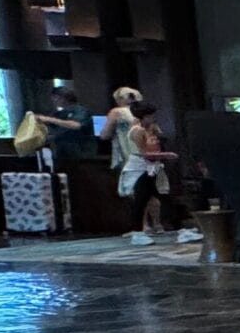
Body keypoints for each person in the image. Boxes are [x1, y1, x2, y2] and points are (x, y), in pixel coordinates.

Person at [113, 101, 200, 245]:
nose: (153, 118)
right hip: (141, 169)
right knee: (141, 201)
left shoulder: (150, 129)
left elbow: (154, 147)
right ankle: (138, 233)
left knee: (166, 198)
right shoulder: (137, 131)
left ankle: (181, 230)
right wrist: (166, 155)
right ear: (143, 117)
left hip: (152, 168)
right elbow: (145, 154)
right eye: (150, 116)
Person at [33, 83, 96, 161]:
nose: (53, 101)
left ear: (62, 98)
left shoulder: (80, 110)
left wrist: (49, 119)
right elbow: (55, 131)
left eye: (55, 98)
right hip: (62, 152)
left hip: (81, 152)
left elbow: (76, 125)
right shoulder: (59, 113)